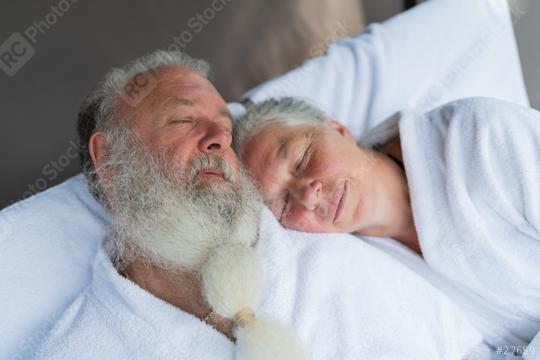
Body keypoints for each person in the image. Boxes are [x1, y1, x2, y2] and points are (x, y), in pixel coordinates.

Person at [33, 51, 485, 360]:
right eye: (184, 119)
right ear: (110, 161)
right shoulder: (83, 347)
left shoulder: (327, 253)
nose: (218, 140)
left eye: (225, 130)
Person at [233, 96, 540, 349]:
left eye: (301, 160)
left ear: (337, 129)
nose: (309, 197)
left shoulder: (481, 137)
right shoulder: (363, 272)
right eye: (284, 205)